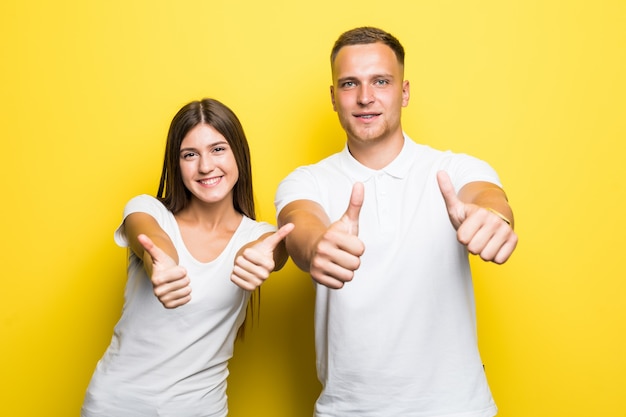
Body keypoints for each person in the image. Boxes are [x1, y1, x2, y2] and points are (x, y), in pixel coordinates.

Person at [275, 27, 518, 417]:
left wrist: (492, 218)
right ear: (333, 98)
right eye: (349, 83)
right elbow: (300, 224)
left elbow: (488, 197)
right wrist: (316, 245)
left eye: (381, 82)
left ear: (404, 92)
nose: (365, 97)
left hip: (457, 409)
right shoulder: (307, 181)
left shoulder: (453, 168)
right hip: (347, 411)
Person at [82, 98, 293, 417]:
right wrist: (161, 263)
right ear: (176, 164)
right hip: (114, 406)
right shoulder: (149, 211)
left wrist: (271, 255)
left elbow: (271, 249)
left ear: (239, 153)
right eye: (190, 155)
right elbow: (152, 239)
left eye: (218, 149)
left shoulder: (256, 236)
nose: (206, 166)